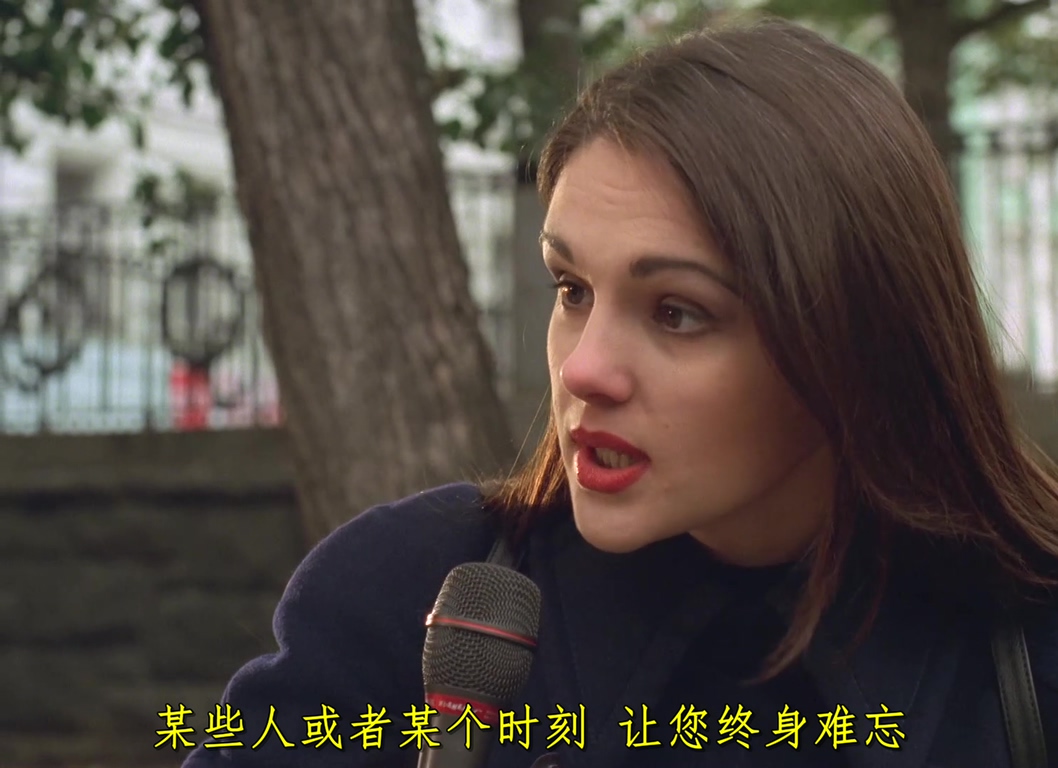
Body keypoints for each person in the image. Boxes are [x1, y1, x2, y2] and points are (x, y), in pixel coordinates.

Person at [180, 16, 1058, 768]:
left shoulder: (1021, 649)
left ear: (853, 336)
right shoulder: (410, 599)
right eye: (572, 290)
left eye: (677, 312)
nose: (583, 369)